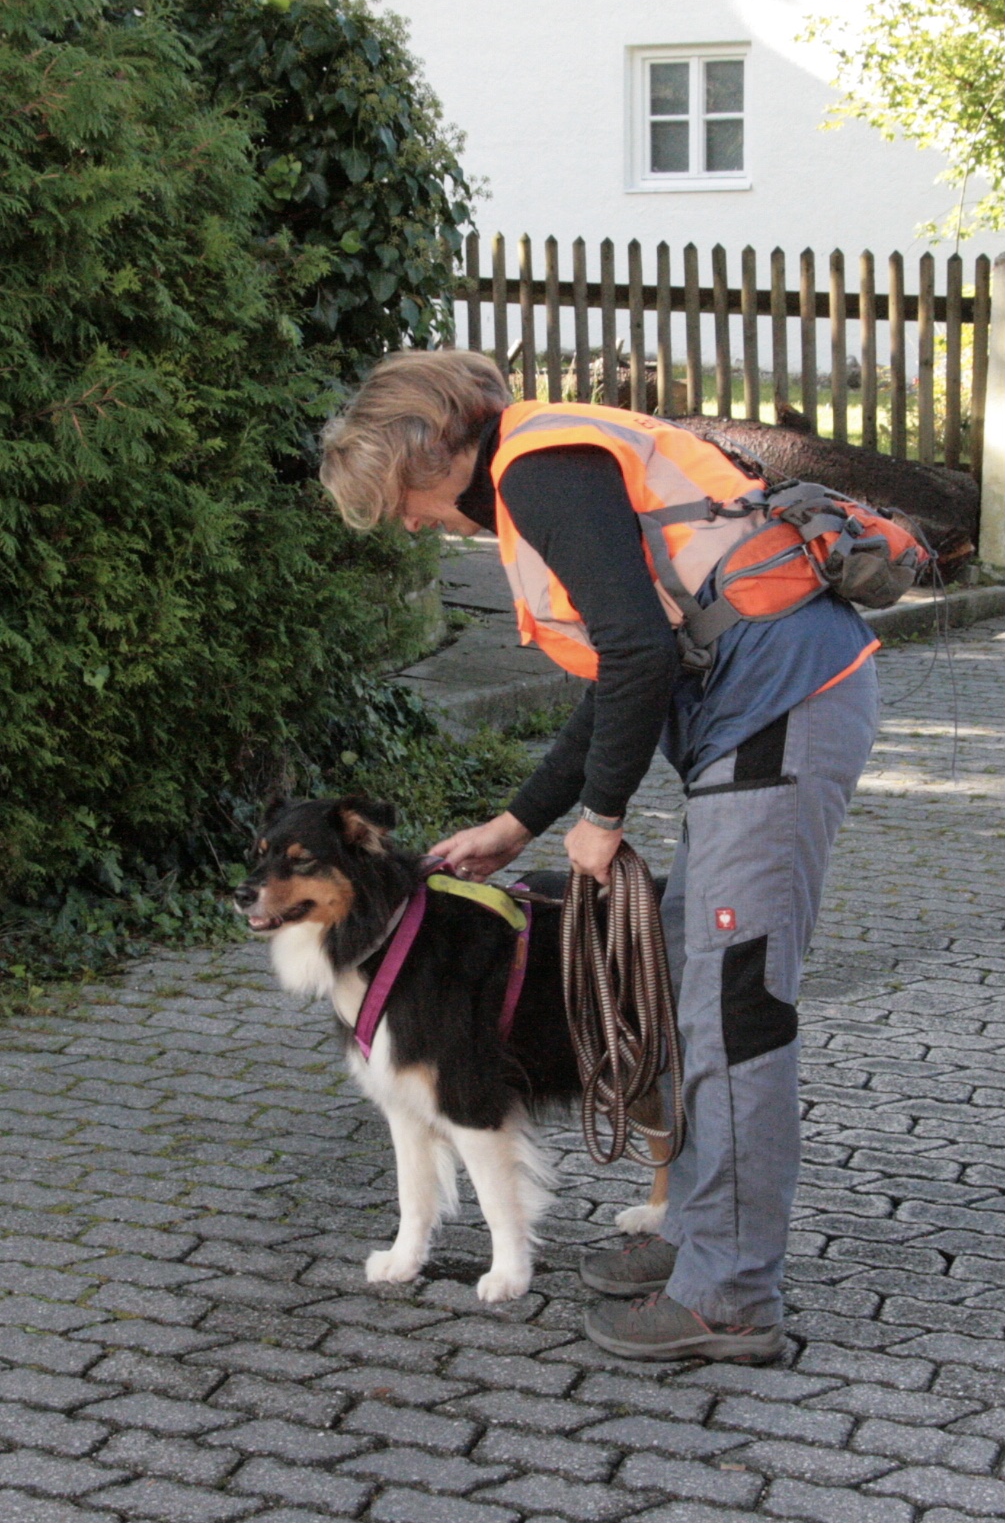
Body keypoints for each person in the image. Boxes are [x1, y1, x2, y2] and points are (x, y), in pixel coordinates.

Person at [320, 348, 879, 1362]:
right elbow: (618, 670)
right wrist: (520, 822)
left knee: (734, 1008)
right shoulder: (540, 471)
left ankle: (729, 1295)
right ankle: (696, 1234)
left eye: (398, 498)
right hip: (760, 721)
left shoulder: (540, 473)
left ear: (430, 447)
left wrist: (603, 816)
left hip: (784, 714)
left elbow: (640, 655)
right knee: (687, 982)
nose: (406, 522)